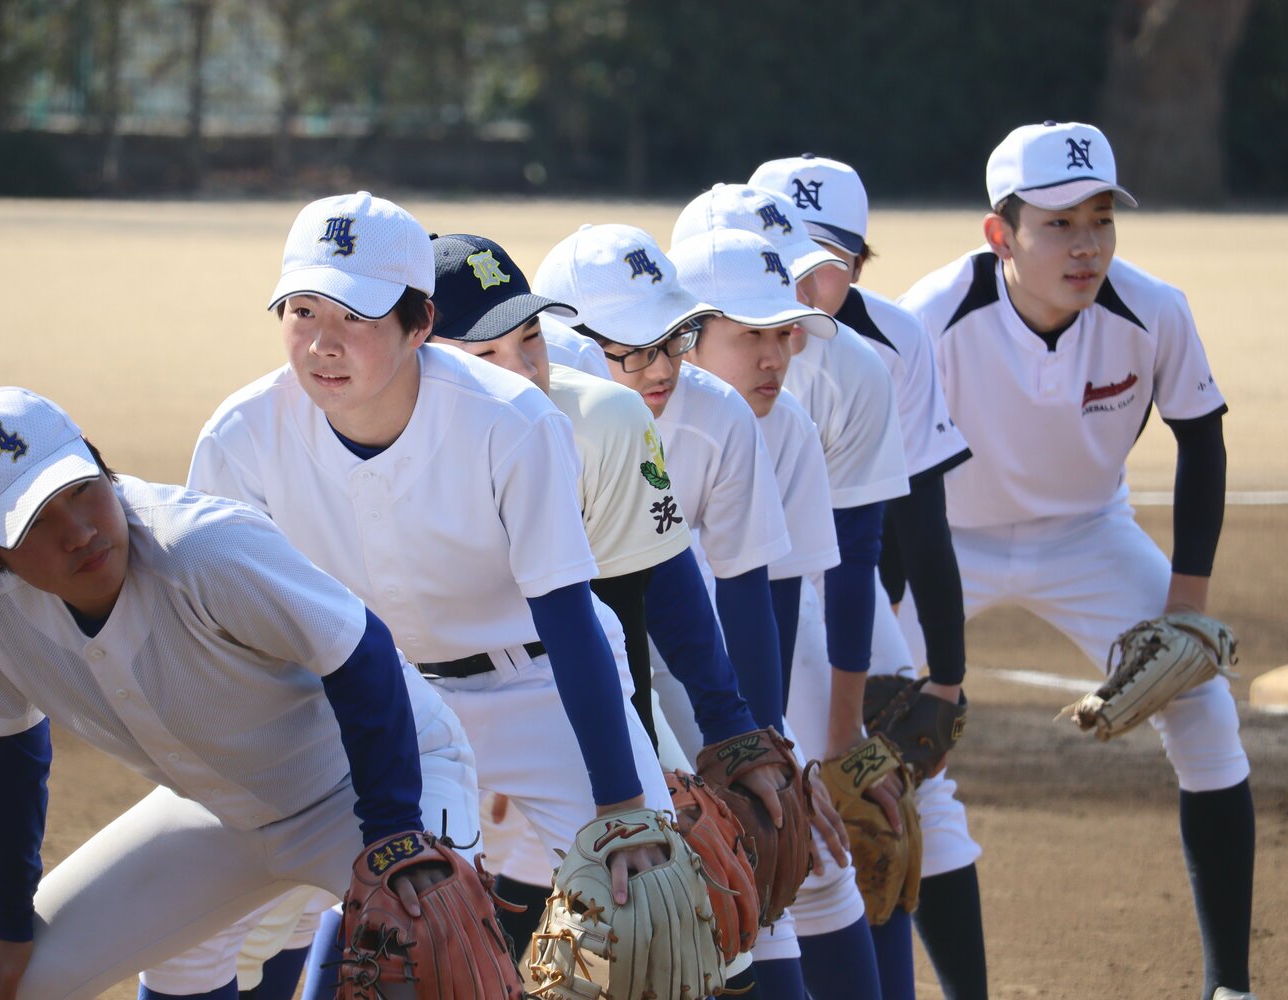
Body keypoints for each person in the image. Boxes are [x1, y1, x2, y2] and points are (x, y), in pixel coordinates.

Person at [186, 193, 677, 994]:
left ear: (421, 325)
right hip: (378, 703)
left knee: (652, 918)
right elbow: (236, 641)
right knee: (379, 930)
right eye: (303, 310)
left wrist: (621, 805)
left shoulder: (511, 421)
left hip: (537, 682)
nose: (322, 343)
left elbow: (569, 617)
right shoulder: (240, 437)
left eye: (356, 316)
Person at [0, 386, 475, 999]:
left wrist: (393, 834)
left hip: (379, 779)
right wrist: (7, 914)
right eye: (33, 522)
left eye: (80, 489)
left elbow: (362, 653)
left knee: (433, 952)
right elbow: (6, 758)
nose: (78, 531)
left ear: (100, 461)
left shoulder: (199, 544)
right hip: (216, 809)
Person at [893, 121, 1254, 1000]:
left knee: (1205, 713)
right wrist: (910, 642)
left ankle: (1231, 987)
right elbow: (894, 485)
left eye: (1101, 219)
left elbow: (1200, 442)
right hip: (946, 541)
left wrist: (1183, 609)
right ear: (999, 234)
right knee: (896, 748)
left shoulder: (1152, 308)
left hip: (1089, 533)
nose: (1086, 245)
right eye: (1057, 223)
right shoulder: (928, 318)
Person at [423, 231, 781, 958]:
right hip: (414, 690)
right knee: (390, 917)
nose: (525, 371)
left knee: (664, 914)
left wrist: (726, 731)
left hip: (556, 681)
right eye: (488, 354)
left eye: (532, 340)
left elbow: (648, 598)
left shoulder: (597, 420)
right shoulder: (336, 434)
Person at [671, 180, 928, 999]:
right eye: (751, 332)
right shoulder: (617, 412)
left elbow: (778, 594)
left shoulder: (786, 423)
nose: (776, 354)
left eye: (783, 331)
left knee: (804, 852)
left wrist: (772, 755)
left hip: (736, 665)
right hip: (629, 670)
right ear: (684, 330)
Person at [751, 152, 988, 999]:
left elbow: (917, 522)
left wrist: (947, 677)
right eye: (789, 255)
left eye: (834, 262)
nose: (812, 284)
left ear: (857, 264)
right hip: (730, 588)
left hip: (846, 589)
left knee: (884, 805)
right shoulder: (710, 338)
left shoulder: (884, 344)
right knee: (768, 814)